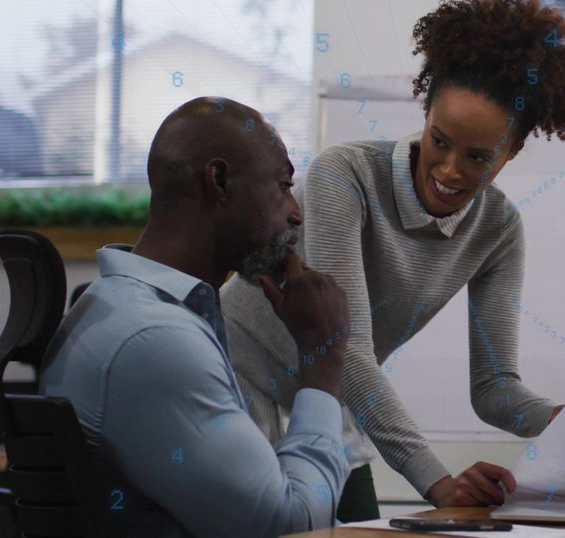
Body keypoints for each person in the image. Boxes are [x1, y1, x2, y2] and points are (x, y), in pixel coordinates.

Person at [221, 0, 565, 521]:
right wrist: (438, 483)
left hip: (327, 407)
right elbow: (347, 349)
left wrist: (556, 417)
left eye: (478, 157)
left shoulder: (499, 229)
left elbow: (494, 388)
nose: (450, 170)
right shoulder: (345, 175)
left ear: (513, 151)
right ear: (427, 112)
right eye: (440, 140)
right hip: (233, 388)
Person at [40, 97, 352, 537]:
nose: (295, 213)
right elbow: (291, 528)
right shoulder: (154, 339)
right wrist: (323, 363)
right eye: (283, 186)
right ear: (219, 181)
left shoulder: (121, 306)